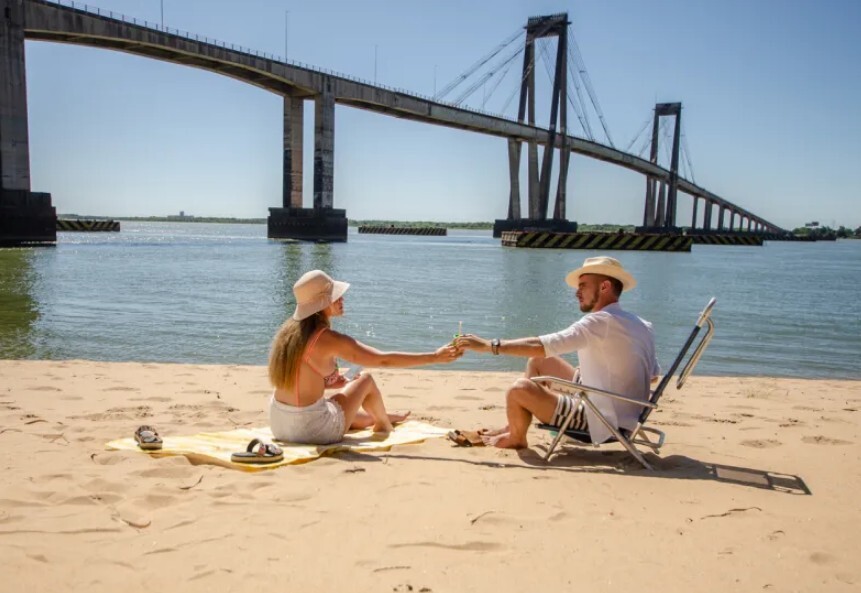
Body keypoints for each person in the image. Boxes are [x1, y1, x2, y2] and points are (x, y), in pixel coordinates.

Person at [455, 256, 659, 449]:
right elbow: (652, 376)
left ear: (604, 286)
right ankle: (513, 426)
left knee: (519, 390)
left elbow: (543, 345)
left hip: (601, 420)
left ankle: (516, 438)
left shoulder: (599, 321)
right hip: (629, 412)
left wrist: (489, 345)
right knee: (538, 362)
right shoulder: (642, 324)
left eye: (582, 286)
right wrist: (603, 374)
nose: (577, 292)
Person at [268, 269, 461, 445]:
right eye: (336, 297)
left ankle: (381, 416)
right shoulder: (329, 339)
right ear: (322, 304)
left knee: (337, 402)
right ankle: (384, 424)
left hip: (279, 423)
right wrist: (435, 356)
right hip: (311, 431)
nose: (342, 299)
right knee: (366, 380)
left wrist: (327, 384)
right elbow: (382, 359)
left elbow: (296, 379)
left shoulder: (289, 335)